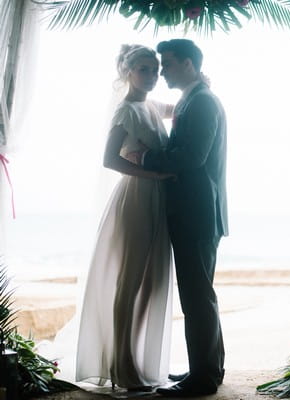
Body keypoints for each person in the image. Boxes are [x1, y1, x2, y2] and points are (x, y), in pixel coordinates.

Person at [75, 44, 174, 391]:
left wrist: (200, 84)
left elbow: (182, 110)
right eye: (144, 69)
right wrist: (153, 176)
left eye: (156, 70)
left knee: (152, 281)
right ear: (127, 72)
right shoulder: (126, 111)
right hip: (136, 196)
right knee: (130, 281)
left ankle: (136, 356)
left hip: (157, 199)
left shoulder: (150, 106)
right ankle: (121, 366)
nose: (152, 76)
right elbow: (109, 160)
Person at [140, 39, 228, 397]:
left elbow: (192, 157)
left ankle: (204, 378)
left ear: (190, 64)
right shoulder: (194, 98)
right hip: (196, 212)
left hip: (198, 213)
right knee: (198, 295)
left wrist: (144, 159)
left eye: (169, 63)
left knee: (197, 297)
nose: (163, 71)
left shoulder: (203, 102)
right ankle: (207, 369)